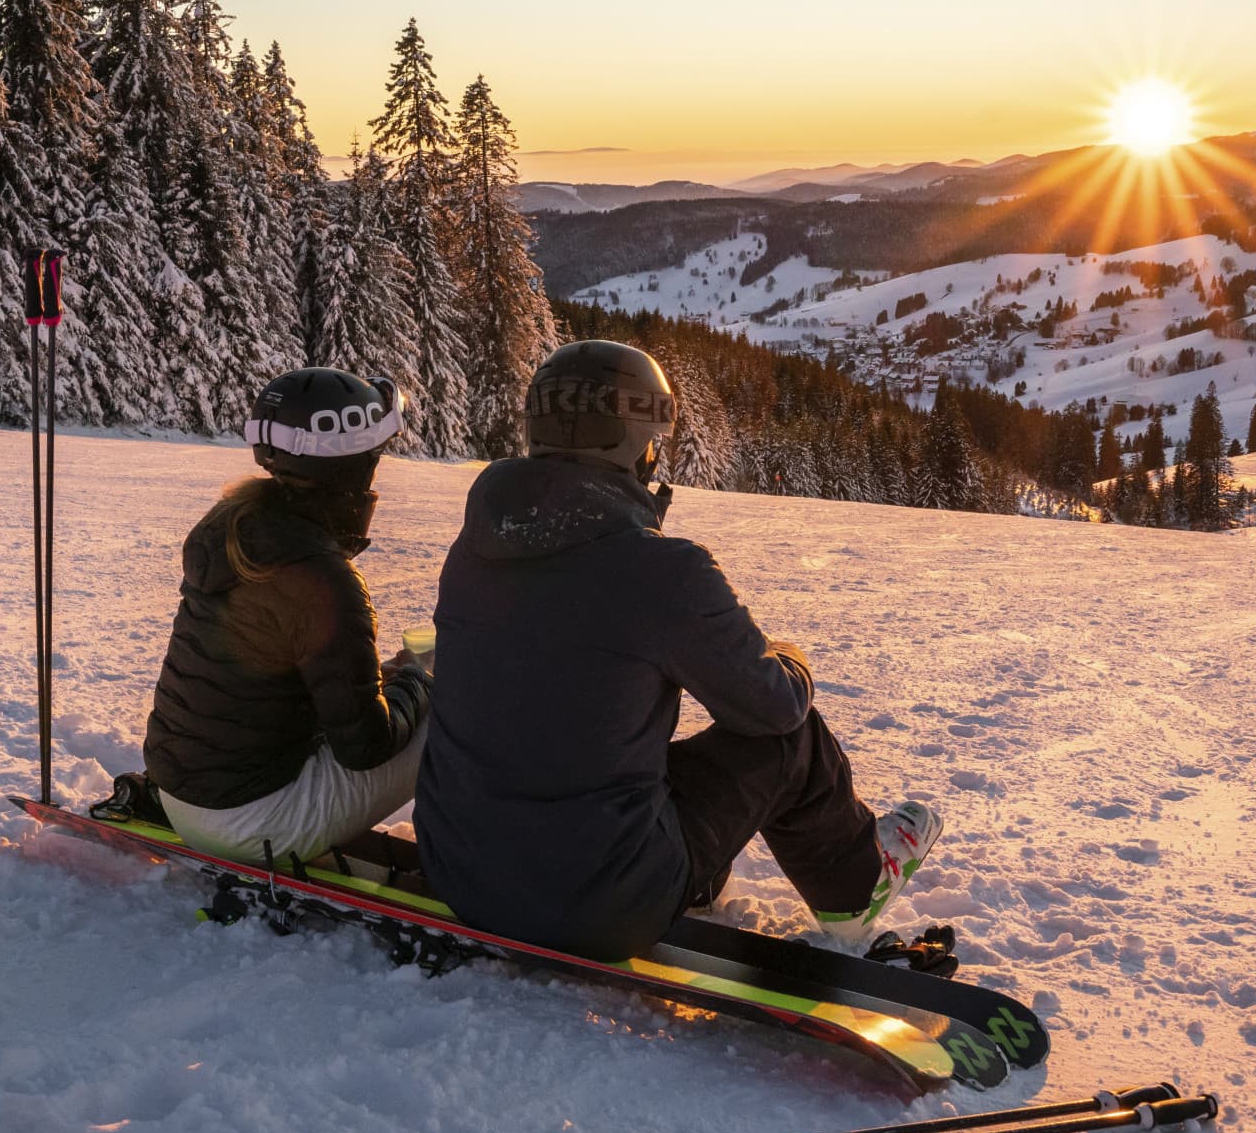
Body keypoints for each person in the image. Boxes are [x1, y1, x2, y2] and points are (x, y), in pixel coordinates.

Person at [414, 340, 938, 958]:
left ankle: (691, 876)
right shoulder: (661, 571)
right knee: (790, 737)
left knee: (594, 725)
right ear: (636, 440)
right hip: (600, 900)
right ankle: (856, 886)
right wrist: (788, 658)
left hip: (460, 869)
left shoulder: (476, 547)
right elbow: (770, 707)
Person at [110, 368, 431, 865]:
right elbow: (365, 748)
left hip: (183, 797)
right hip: (255, 823)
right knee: (454, 712)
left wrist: (392, 679)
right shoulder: (322, 579)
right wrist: (421, 679)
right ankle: (491, 864)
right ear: (357, 466)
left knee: (396, 684)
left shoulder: (239, 531)